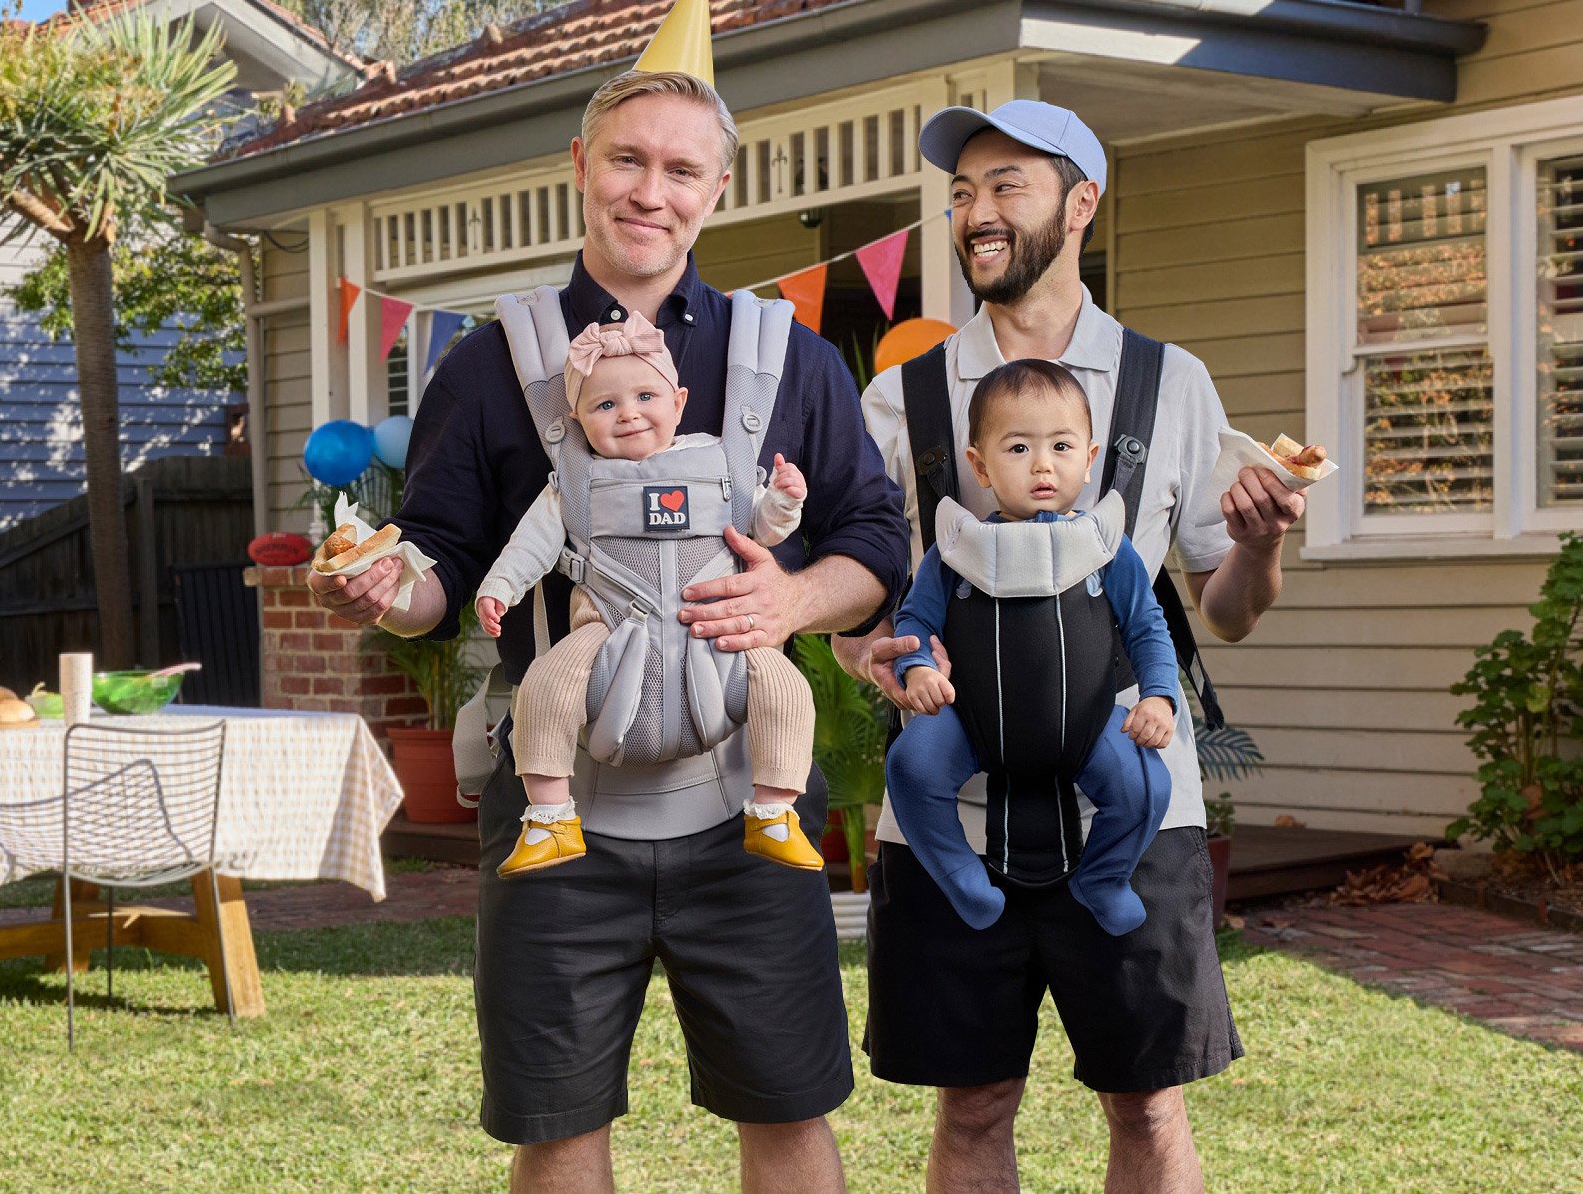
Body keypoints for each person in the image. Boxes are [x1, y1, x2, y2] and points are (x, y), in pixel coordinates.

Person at [310, 0, 907, 1193]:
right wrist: (388, 586)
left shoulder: (784, 355)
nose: (651, 190)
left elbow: (873, 543)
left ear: (717, 190)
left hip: (752, 806)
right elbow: (442, 566)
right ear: (579, 161)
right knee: (557, 1123)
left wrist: (794, 600)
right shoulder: (487, 365)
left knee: (788, 1112)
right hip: (555, 812)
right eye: (628, 159)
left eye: (681, 170)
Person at [844, 98, 1305, 1194]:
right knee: (972, 1107)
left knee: (1147, 1106)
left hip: (1135, 805)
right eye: (960, 194)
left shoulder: (1167, 382)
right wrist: (874, 657)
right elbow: (863, 613)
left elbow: (1228, 608)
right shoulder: (896, 399)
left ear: (1080, 202)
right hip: (945, 822)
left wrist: (1258, 551)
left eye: (1006, 186)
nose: (975, 214)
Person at [475, 309, 822, 877]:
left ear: (679, 403)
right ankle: (549, 816)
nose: (628, 414)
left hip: (716, 642)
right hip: (607, 638)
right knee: (543, 686)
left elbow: (760, 529)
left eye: (645, 396)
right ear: (578, 419)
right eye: (605, 405)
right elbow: (530, 546)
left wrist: (784, 499)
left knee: (785, 688)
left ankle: (775, 813)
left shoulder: (719, 464)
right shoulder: (577, 483)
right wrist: (500, 588)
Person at [885, 358, 1177, 937]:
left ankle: (1104, 878)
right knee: (911, 766)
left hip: (1089, 725)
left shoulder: (1107, 550)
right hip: (971, 723)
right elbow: (914, 620)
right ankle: (959, 875)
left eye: (1062, 446)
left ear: (1090, 459)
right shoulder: (955, 551)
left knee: (1148, 785)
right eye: (1018, 448)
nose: (1043, 464)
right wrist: (917, 667)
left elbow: (1148, 627)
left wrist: (1160, 697)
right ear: (980, 465)